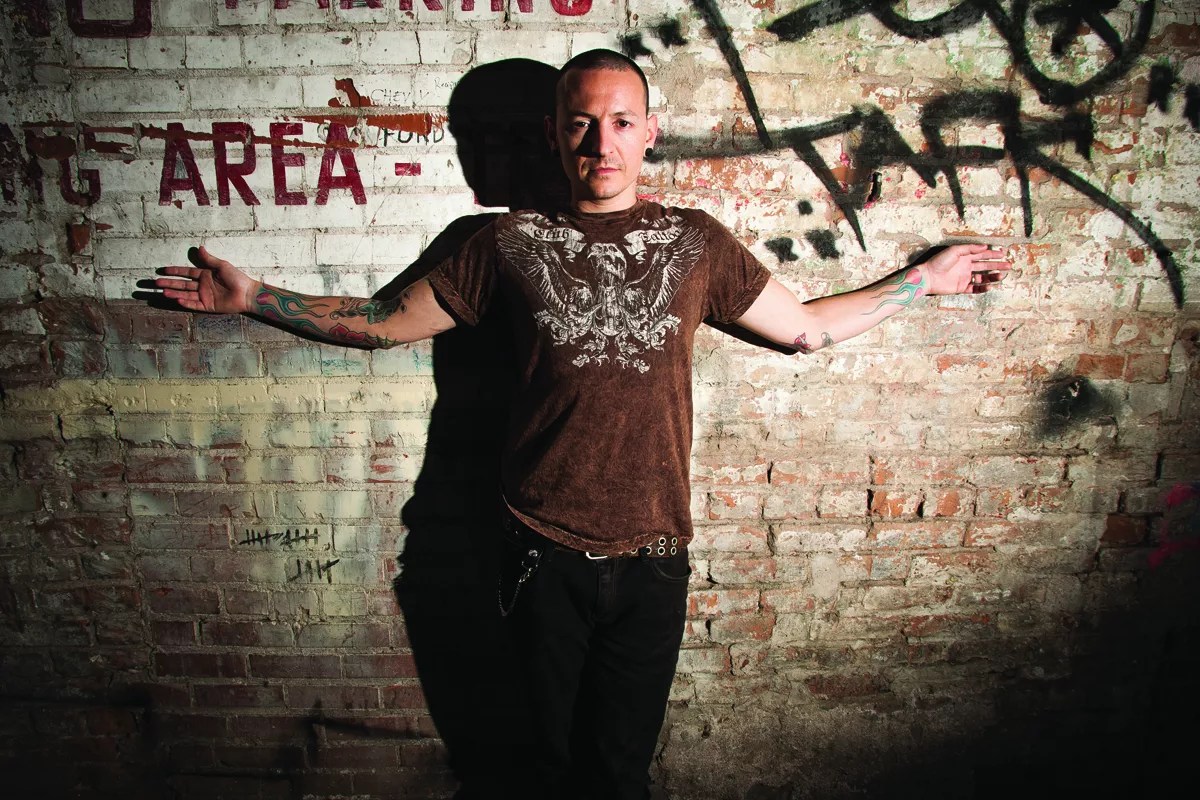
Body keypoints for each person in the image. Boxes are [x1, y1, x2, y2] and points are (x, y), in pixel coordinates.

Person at [154, 49, 1010, 800]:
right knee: (540, 772)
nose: (603, 143)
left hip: (654, 561)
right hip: (540, 554)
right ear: (554, 136)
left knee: (619, 776)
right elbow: (383, 322)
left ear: (650, 132)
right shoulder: (504, 243)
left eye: (621, 122)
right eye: (582, 124)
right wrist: (255, 299)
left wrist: (924, 282)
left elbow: (807, 329)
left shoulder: (695, 242)